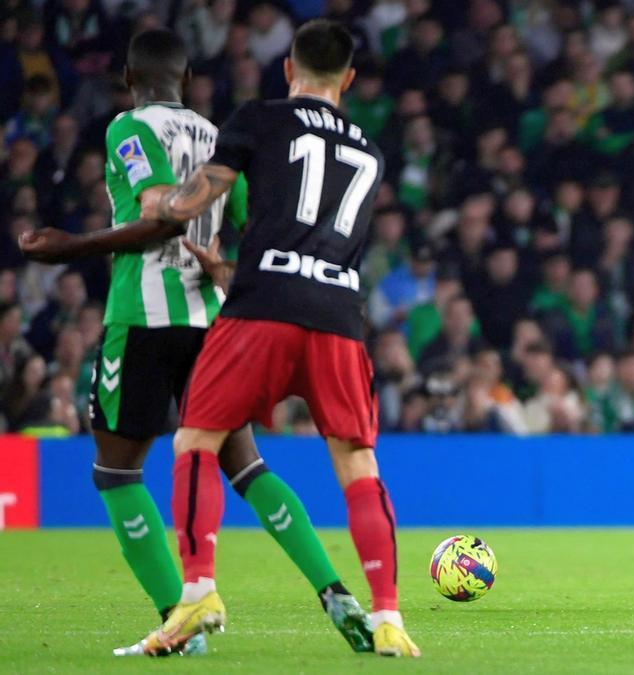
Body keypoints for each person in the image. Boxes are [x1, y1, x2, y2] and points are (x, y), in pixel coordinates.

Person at [19, 28, 372, 657]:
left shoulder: (128, 129)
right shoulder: (216, 135)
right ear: (186, 81)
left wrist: (71, 249)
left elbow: (158, 212)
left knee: (116, 471)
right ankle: (334, 591)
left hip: (144, 316)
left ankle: (178, 627)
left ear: (130, 79)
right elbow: (249, 228)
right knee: (246, 464)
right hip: (213, 322)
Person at [112, 21, 414, 657]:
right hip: (337, 314)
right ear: (349, 80)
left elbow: (191, 203)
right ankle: (389, 617)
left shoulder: (262, 118)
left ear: (288, 70)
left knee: (196, 439)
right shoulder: (369, 149)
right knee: (358, 464)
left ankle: (197, 593)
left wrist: (140, 217)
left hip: (261, 308)